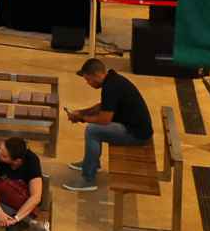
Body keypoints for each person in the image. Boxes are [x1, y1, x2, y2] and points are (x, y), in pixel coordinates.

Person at [62, 57, 154, 191]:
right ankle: (93, 163)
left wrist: (81, 118)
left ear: (97, 75)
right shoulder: (112, 80)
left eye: (88, 80)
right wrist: (81, 111)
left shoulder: (110, 87)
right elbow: (103, 106)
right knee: (94, 129)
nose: (88, 84)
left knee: (93, 130)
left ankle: (88, 179)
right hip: (133, 127)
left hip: (137, 134)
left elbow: (105, 120)